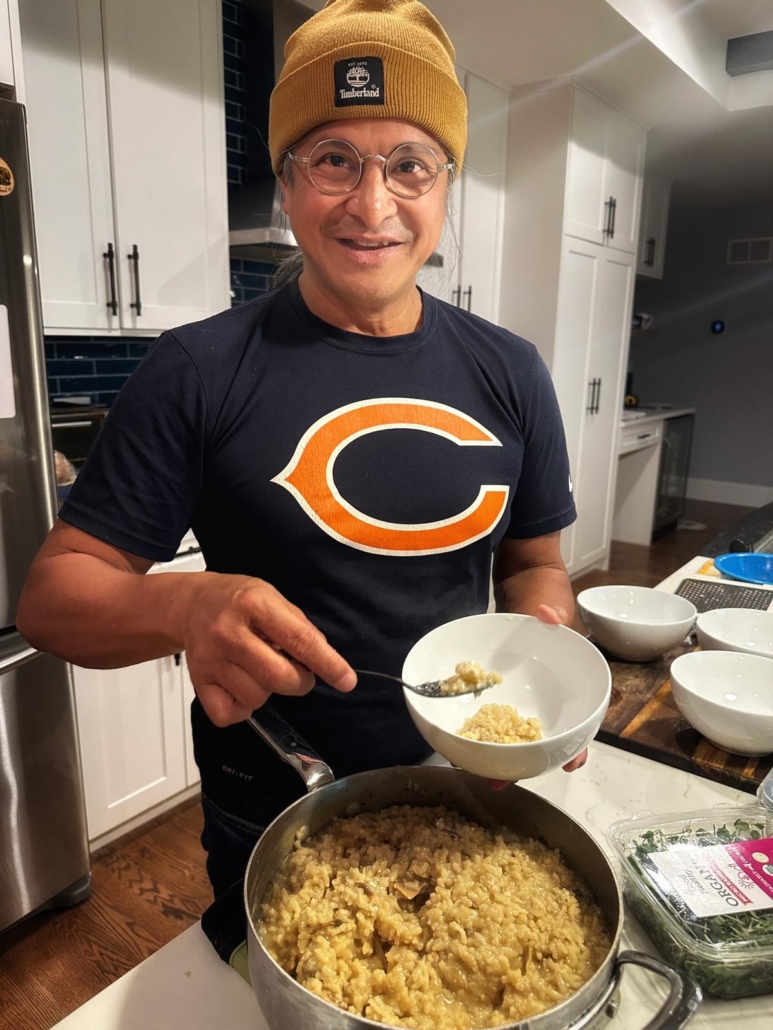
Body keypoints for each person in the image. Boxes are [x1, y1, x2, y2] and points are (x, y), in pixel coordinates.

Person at [18, 0, 582, 914]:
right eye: (332, 161)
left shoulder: (509, 369)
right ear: (286, 184)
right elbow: (51, 600)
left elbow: (534, 567)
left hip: (466, 778)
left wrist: (549, 655)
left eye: (410, 164)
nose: (372, 203)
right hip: (275, 797)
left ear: (446, 186)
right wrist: (183, 600)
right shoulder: (197, 368)